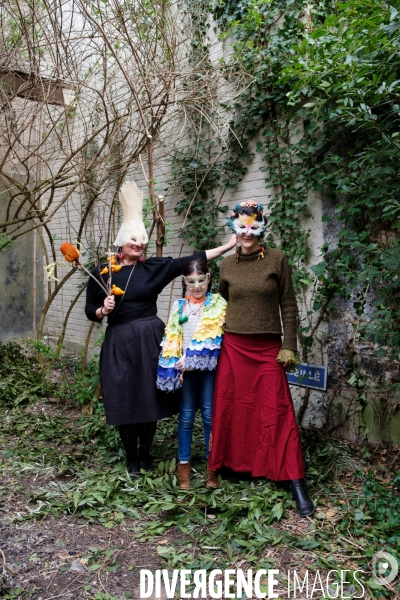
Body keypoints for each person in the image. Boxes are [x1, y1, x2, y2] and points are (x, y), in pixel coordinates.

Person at [85, 180, 235, 474]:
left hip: (150, 338)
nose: (139, 244)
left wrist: (228, 246)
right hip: (119, 341)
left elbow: (192, 260)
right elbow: (90, 311)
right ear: (121, 240)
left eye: (142, 240)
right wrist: (103, 309)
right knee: (124, 395)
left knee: (148, 397)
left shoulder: (152, 267)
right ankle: (132, 459)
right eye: (133, 239)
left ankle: (146, 455)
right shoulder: (102, 272)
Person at [207, 199, 315, 517]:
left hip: (268, 348)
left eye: (254, 225)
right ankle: (237, 466)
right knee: (233, 408)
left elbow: (289, 305)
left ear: (263, 226)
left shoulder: (278, 260)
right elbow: (220, 306)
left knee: (277, 409)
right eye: (242, 226)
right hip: (234, 348)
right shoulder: (226, 265)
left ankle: (295, 479)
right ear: (233, 228)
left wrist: (289, 345)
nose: (248, 232)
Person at [156, 259, 226, 490]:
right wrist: (176, 362)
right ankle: (183, 466)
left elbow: (215, 339)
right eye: (191, 281)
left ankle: (212, 467)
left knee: (208, 415)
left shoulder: (217, 304)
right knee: (186, 417)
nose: (196, 286)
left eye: (201, 280)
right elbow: (172, 337)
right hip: (184, 371)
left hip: (207, 370)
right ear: (184, 282)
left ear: (209, 279)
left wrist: (193, 358)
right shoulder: (179, 306)